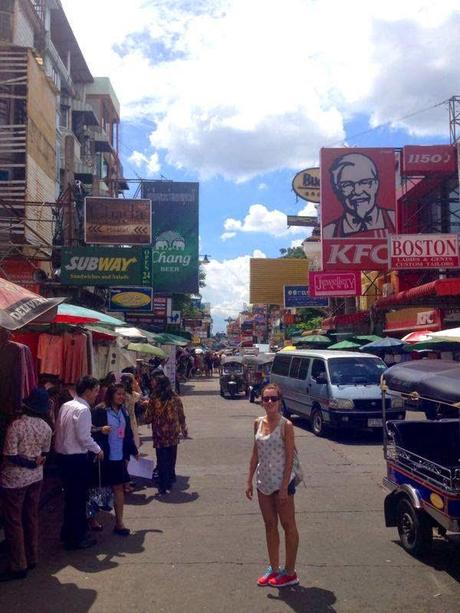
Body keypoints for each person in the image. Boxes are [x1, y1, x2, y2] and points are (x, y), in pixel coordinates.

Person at [246, 383, 299, 588]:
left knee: (288, 526)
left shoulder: (286, 425)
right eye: (266, 398)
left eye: (273, 399)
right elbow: (255, 452)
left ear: (279, 401)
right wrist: (249, 479)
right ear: (261, 400)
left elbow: (289, 458)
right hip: (264, 482)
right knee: (270, 525)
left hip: (282, 483)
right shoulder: (257, 423)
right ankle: (274, 568)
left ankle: (290, 572)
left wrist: (285, 486)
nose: (269, 402)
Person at [0, 388, 52, 582]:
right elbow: (45, 453)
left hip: (14, 480)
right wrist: (34, 463)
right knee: (30, 516)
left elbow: (10, 455)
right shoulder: (46, 427)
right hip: (36, 478)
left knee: (14, 521)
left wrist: (28, 462)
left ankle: (18, 564)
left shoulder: (17, 426)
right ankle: (32, 556)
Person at [54, 375, 103, 550]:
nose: (97, 394)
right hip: (76, 459)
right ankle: (78, 537)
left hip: (63, 457)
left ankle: (67, 533)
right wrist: (98, 449)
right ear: (88, 391)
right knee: (78, 499)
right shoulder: (83, 409)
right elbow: (84, 438)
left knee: (70, 498)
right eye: (96, 391)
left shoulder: (66, 406)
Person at [91, 384, 139, 535]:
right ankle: (92, 519)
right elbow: (89, 429)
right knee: (97, 489)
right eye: (118, 394)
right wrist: (101, 429)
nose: (121, 397)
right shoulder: (100, 410)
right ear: (111, 394)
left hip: (119, 456)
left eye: (123, 394)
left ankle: (119, 523)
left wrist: (133, 450)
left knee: (119, 488)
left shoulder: (123, 410)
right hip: (104, 456)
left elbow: (127, 432)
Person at [322, 152, 396, 239]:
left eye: (365, 182)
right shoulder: (329, 232)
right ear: (337, 190)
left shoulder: (394, 219)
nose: (357, 191)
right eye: (347, 184)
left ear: (376, 184)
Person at [144, 375, 187, 495]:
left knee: (161, 458)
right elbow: (181, 414)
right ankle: (169, 480)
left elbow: (148, 417)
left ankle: (163, 484)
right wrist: (184, 428)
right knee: (171, 457)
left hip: (159, 434)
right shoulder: (174, 397)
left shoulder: (154, 398)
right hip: (173, 433)